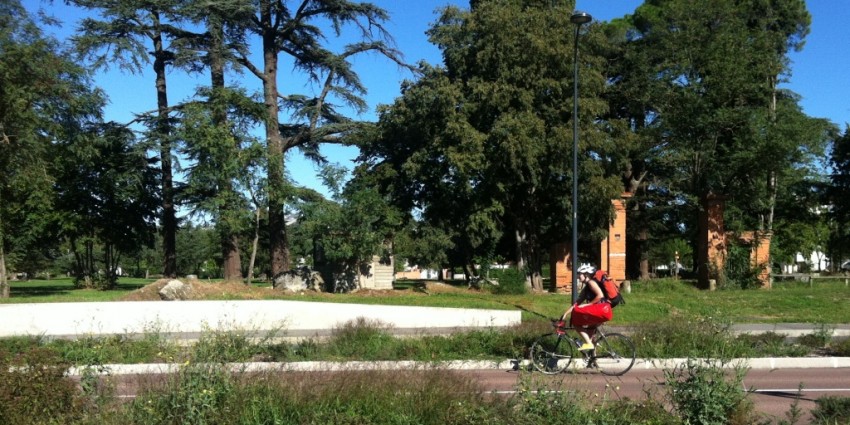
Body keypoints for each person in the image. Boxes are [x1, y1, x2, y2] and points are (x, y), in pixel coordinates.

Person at [560, 263, 613, 351]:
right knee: (589, 335)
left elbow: (600, 295)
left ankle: (588, 344)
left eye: (579, 274)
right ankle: (592, 359)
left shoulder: (591, 283)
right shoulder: (586, 288)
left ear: (586, 274)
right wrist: (566, 313)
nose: (578, 276)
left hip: (601, 310)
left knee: (576, 324)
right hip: (600, 311)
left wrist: (588, 304)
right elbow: (577, 303)